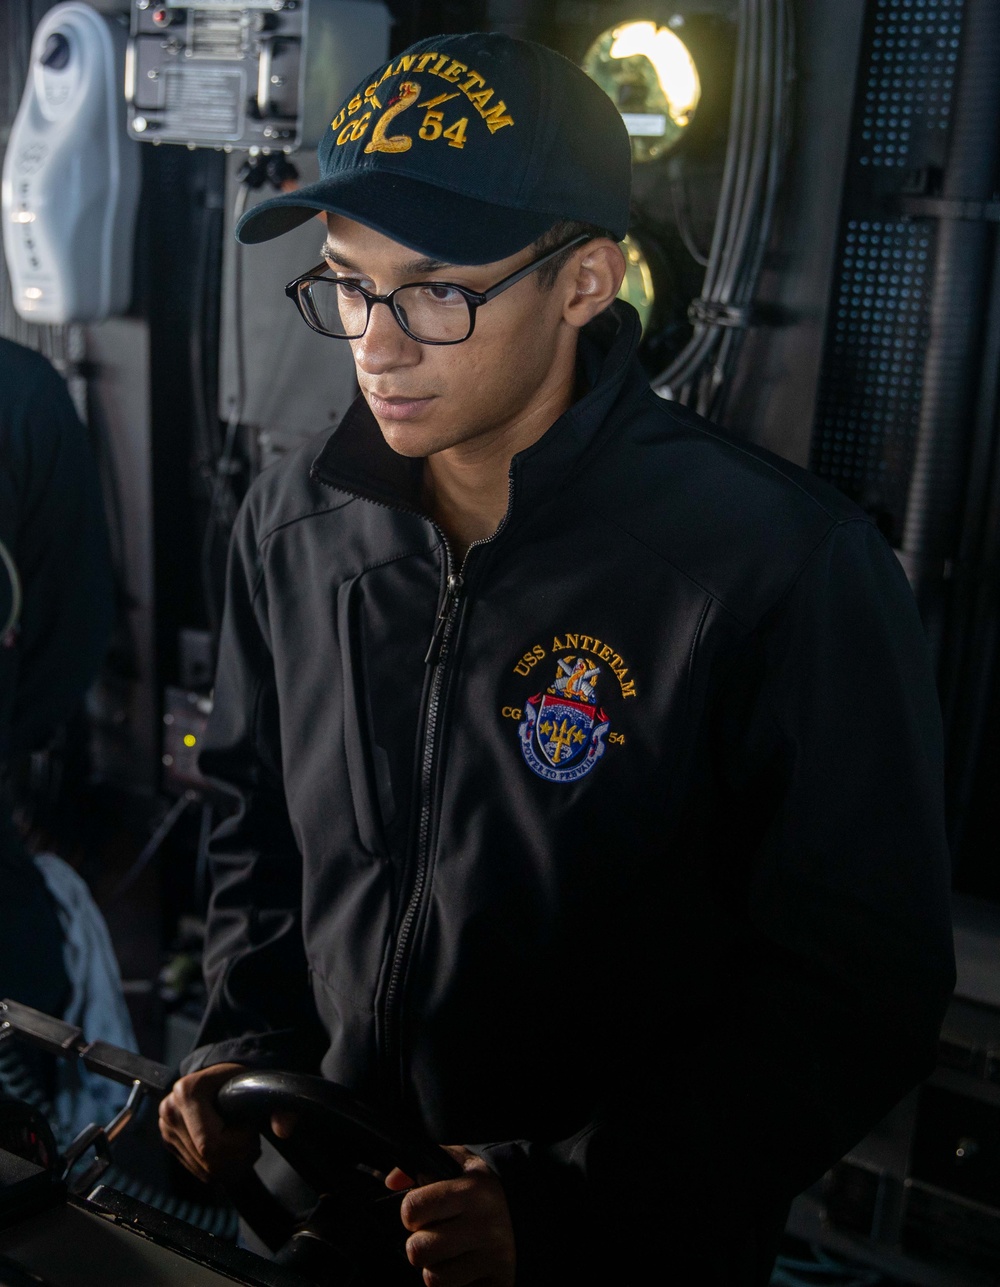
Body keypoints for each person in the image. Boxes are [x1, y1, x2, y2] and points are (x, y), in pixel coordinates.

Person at [158, 31, 955, 1286]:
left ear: (586, 281)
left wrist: (582, 1197)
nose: (377, 344)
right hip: (341, 1208)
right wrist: (239, 1041)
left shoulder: (774, 567)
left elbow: (857, 986)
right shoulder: (295, 520)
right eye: (347, 285)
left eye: (436, 292)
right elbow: (255, 822)